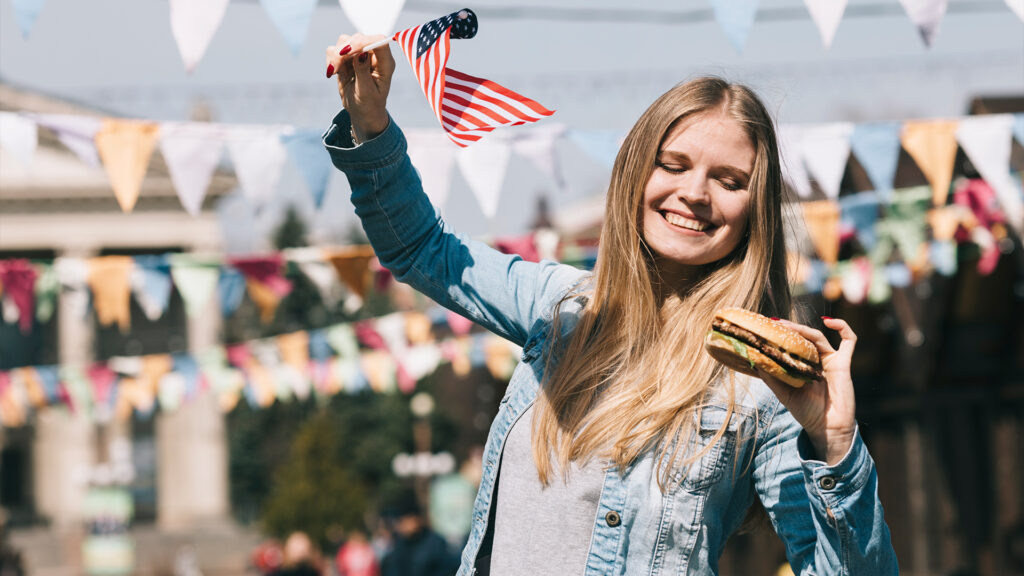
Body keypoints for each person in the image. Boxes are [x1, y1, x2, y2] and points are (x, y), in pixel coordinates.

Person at [321, 33, 899, 576]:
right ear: (634, 172)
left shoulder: (760, 388)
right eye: (673, 166)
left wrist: (836, 445)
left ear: (756, 207)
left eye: (728, 180)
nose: (694, 194)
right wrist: (371, 127)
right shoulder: (559, 306)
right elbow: (421, 248)